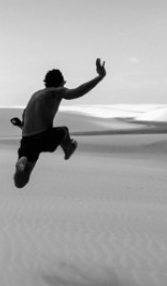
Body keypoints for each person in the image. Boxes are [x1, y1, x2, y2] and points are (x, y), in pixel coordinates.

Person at [11, 58, 107, 189]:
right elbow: (78, 91)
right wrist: (100, 77)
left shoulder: (35, 95)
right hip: (43, 137)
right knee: (64, 131)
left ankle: (20, 169)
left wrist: (19, 125)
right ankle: (68, 150)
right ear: (61, 83)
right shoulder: (55, 92)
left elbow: (26, 121)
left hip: (27, 140)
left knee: (21, 182)